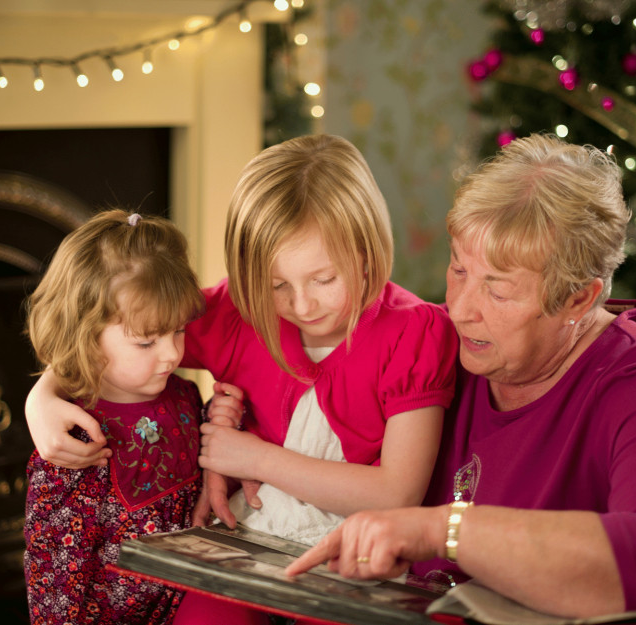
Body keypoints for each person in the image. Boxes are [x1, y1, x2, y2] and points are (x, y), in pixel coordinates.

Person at [25, 135, 459, 623]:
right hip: (246, 540)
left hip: (356, 556)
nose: (302, 305)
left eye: (324, 279)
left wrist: (250, 457)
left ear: (367, 250)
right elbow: (118, 334)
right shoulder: (240, 312)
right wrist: (42, 396)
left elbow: (396, 493)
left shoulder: (415, 332)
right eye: (278, 285)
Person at [287, 133, 636, 619]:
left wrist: (441, 531)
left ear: (578, 298)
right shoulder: (428, 345)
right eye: (458, 269)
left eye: (499, 290)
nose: (460, 309)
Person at [22, 210, 209, 625]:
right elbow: (54, 573)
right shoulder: (73, 435)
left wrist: (225, 417)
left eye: (178, 331)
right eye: (146, 342)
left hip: (187, 602)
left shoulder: (186, 396)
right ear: (86, 337)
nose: (173, 354)